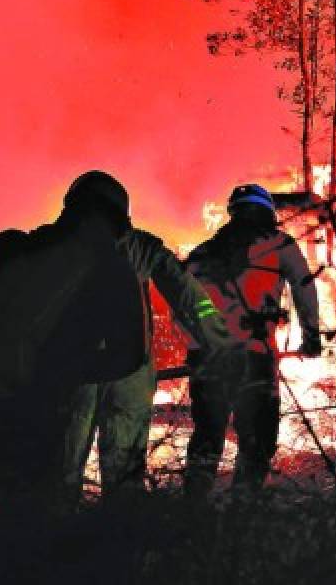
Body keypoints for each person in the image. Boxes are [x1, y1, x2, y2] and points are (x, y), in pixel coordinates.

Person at [0, 169, 147, 529]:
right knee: (32, 511)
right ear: (118, 222)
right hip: (34, 404)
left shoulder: (8, 246)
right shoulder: (112, 269)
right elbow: (130, 354)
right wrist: (71, 372)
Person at [55, 172, 231, 503]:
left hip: (74, 374)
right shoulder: (142, 247)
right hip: (128, 370)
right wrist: (221, 342)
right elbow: (191, 298)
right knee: (124, 480)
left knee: (60, 475)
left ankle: (55, 545)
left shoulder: (53, 248)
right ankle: (122, 544)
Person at [182, 184, 321, 497]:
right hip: (254, 359)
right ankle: (244, 517)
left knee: (206, 440)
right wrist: (312, 337)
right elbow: (305, 288)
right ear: (267, 211)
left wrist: (194, 345)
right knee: (256, 444)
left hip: (211, 361)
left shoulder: (202, 254)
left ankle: (190, 515)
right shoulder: (278, 244)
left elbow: (183, 305)